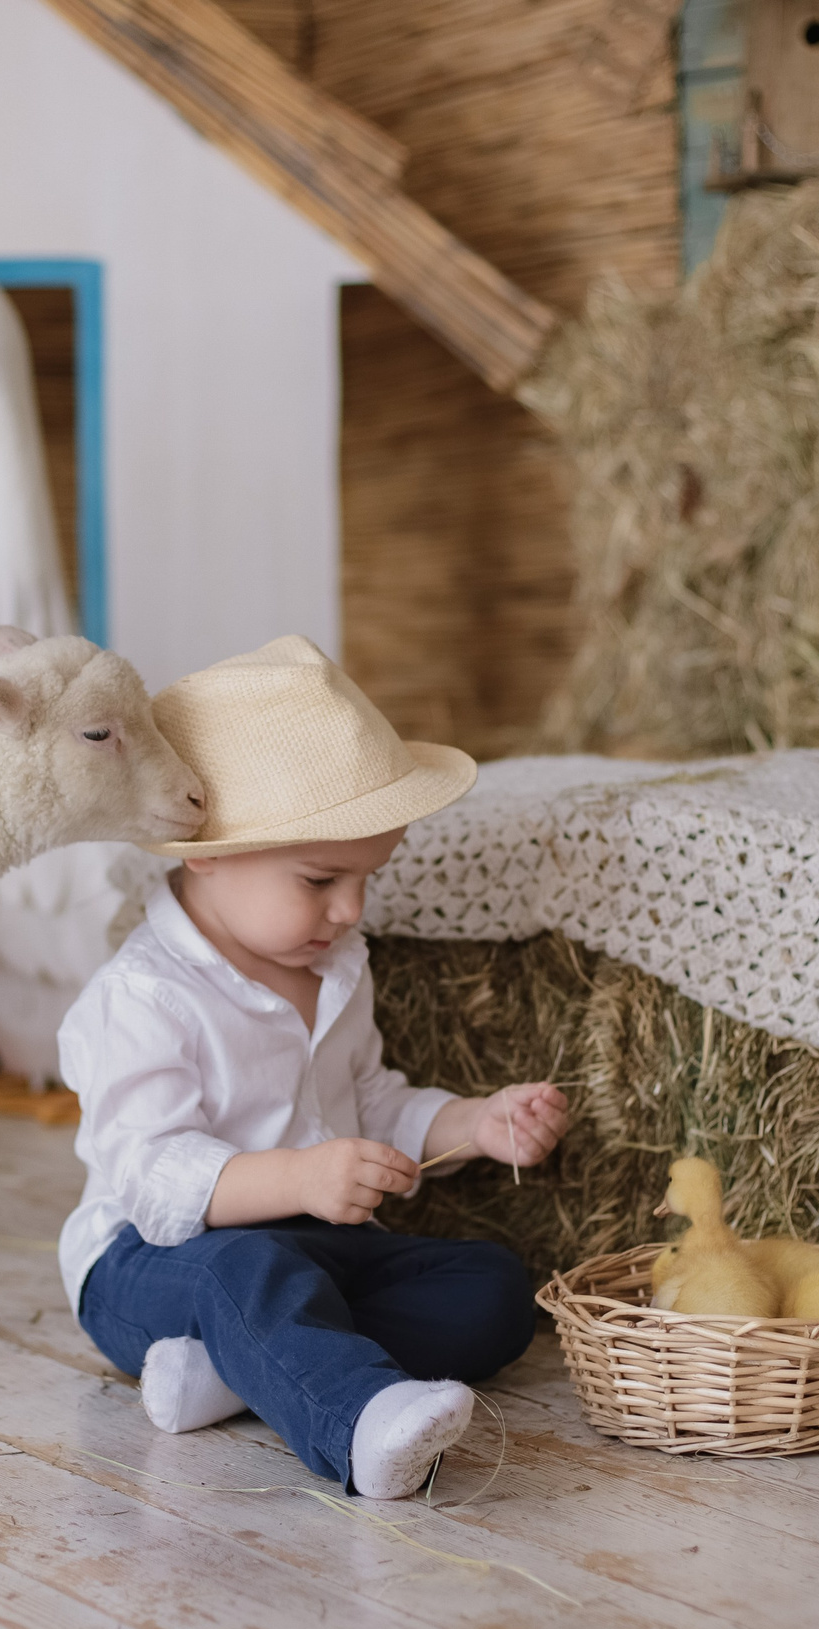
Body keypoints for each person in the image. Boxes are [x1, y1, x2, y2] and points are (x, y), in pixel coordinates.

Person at [58, 635, 571, 1499]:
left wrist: (475, 1123)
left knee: (491, 1289)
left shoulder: (336, 966)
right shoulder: (143, 996)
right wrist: (300, 1175)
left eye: (368, 878)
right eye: (321, 878)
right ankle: (358, 1420)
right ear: (206, 851)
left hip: (317, 1249)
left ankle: (241, 1366)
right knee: (247, 1273)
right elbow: (151, 1178)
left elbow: (369, 1098)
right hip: (152, 1263)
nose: (352, 909)